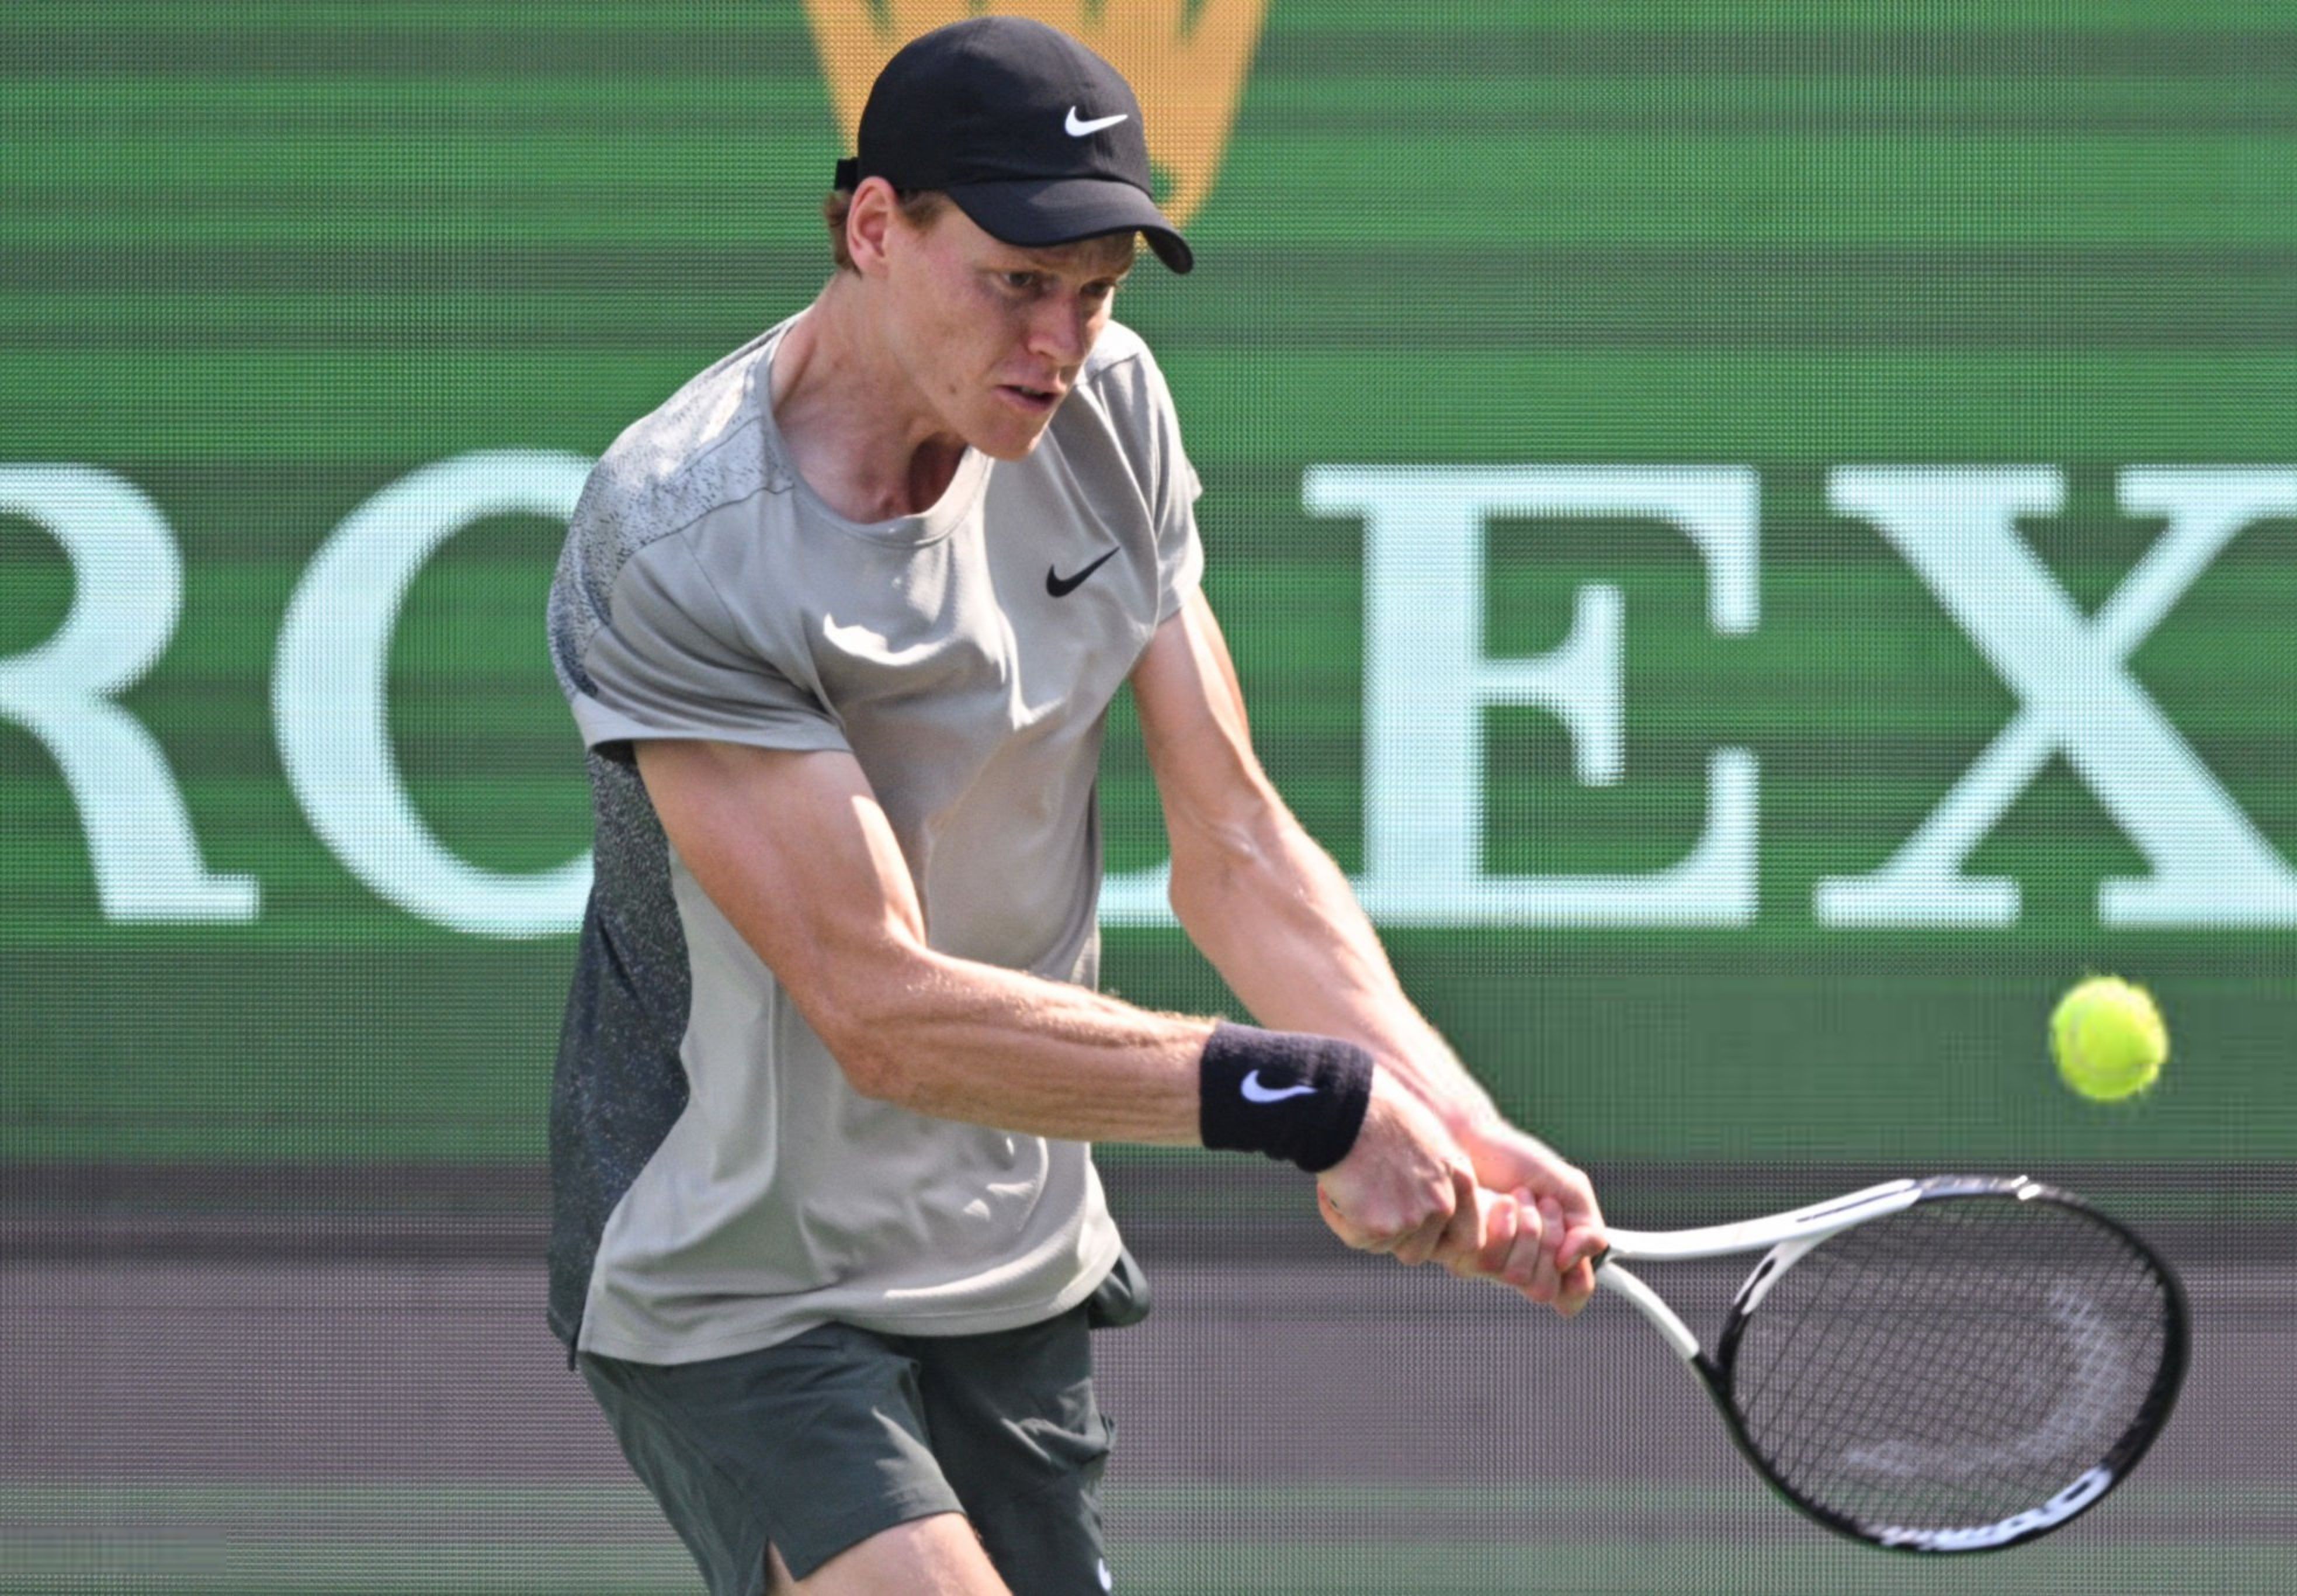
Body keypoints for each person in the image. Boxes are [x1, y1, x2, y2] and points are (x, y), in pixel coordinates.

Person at [545, 17, 1604, 1594]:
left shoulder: (1107, 408)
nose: (1061, 337)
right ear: (873, 227)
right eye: (1017, 280)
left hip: (1006, 1252)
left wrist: (1441, 1112)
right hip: (736, 1264)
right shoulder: (682, 538)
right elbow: (880, 1009)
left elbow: (1236, 844)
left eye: (1095, 289)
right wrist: (1303, 1099)